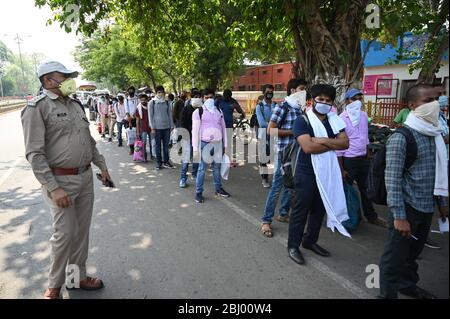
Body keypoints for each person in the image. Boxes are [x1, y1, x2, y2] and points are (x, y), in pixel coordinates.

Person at [21, 60, 113, 299]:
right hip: (60, 182)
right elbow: (34, 153)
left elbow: (88, 141)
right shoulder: (36, 108)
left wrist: (101, 165)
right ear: (47, 80)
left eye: (68, 75)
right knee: (64, 234)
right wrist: (53, 187)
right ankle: (54, 286)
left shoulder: (75, 105)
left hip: (84, 179)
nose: (67, 80)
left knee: (81, 232)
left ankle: (76, 278)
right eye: (62, 76)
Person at [378, 84, 448, 299]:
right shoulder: (402, 137)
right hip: (407, 208)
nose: (435, 104)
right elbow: (392, 179)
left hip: (427, 206)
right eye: (428, 100)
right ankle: (387, 294)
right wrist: (399, 216)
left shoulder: (434, 134)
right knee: (395, 256)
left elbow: (437, 172)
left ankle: (407, 285)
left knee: (413, 253)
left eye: (437, 99)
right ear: (412, 106)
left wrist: (442, 204)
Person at [287, 84, 350, 265]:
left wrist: (320, 140)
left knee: (319, 210)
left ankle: (310, 241)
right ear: (311, 101)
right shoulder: (302, 121)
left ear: (332, 103)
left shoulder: (334, 120)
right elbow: (308, 147)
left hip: (328, 173)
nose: (323, 103)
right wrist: (332, 143)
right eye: (320, 99)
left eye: (327, 100)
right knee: (301, 210)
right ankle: (293, 246)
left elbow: (345, 144)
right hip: (306, 173)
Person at [260, 78, 306, 238]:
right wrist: (294, 132)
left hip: (297, 153)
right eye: (302, 88)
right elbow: (270, 130)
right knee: (277, 187)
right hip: (284, 153)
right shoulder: (282, 107)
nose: (304, 92)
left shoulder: (300, 109)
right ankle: (266, 221)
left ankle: (284, 213)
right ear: (293, 90)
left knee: (290, 185)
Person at [337, 88, 388, 228]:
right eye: (354, 99)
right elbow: (339, 147)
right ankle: (345, 217)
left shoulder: (364, 116)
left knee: (366, 189)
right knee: (345, 190)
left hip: (363, 158)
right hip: (349, 159)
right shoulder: (342, 118)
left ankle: (371, 216)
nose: (358, 101)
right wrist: (341, 168)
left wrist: (368, 155)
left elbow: (365, 136)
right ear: (347, 101)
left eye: (360, 98)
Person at [192, 88, 230, 203]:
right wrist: (195, 149)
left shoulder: (219, 111)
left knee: (216, 168)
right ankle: (198, 192)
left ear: (214, 98)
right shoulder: (198, 112)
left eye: (211, 97)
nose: (209, 99)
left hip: (218, 144)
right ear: (202, 99)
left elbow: (224, 128)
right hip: (205, 144)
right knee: (202, 169)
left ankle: (218, 189)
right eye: (206, 97)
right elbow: (195, 131)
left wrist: (226, 145)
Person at [216, 89, 246, 167]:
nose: (226, 98)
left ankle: (227, 161)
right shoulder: (219, 101)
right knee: (219, 143)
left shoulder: (233, 101)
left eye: (228, 97)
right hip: (219, 126)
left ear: (230, 96)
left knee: (228, 144)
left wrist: (242, 113)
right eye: (225, 96)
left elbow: (239, 109)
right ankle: (218, 161)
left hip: (229, 126)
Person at [255, 84, 278, 188]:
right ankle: (264, 179)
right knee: (264, 158)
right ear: (263, 92)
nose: (270, 93)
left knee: (276, 157)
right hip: (263, 135)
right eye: (268, 91)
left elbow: (279, 121)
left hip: (274, 135)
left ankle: (277, 179)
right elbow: (262, 123)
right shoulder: (259, 106)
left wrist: (270, 122)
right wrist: (273, 123)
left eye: (271, 91)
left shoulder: (276, 105)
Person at [179, 88, 201, 188]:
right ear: (191, 98)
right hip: (188, 137)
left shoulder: (201, 110)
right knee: (186, 159)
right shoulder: (186, 109)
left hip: (198, 138)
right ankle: (183, 178)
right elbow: (182, 123)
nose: (197, 99)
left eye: (199, 97)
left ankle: (195, 174)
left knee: (196, 157)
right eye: (195, 97)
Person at [149, 85, 174, 170]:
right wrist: (152, 127)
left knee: (166, 146)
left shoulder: (167, 102)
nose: (160, 94)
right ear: (156, 93)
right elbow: (150, 116)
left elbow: (170, 115)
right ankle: (159, 163)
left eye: (162, 92)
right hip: (157, 128)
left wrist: (171, 125)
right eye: (158, 92)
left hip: (166, 127)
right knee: (158, 146)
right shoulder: (152, 102)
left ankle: (166, 162)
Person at [136, 93, 154, 162]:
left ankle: (152, 155)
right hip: (143, 129)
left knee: (152, 143)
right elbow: (137, 121)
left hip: (151, 127)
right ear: (140, 100)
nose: (143, 101)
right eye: (142, 100)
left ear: (147, 100)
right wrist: (137, 132)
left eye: (144, 100)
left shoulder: (150, 107)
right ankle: (144, 157)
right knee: (143, 143)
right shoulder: (138, 109)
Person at [125, 86, 139, 155]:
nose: (131, 91)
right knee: (130, 134)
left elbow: (138, 108)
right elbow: (126, 109)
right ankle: (131, 149)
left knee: (136, 133)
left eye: (132, 90)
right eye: (129, 90)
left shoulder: (137, 99)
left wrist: (134, 116)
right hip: (128, 118)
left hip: (136, 118)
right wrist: (129, 119)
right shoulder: (126, 99)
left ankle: (137, 148)